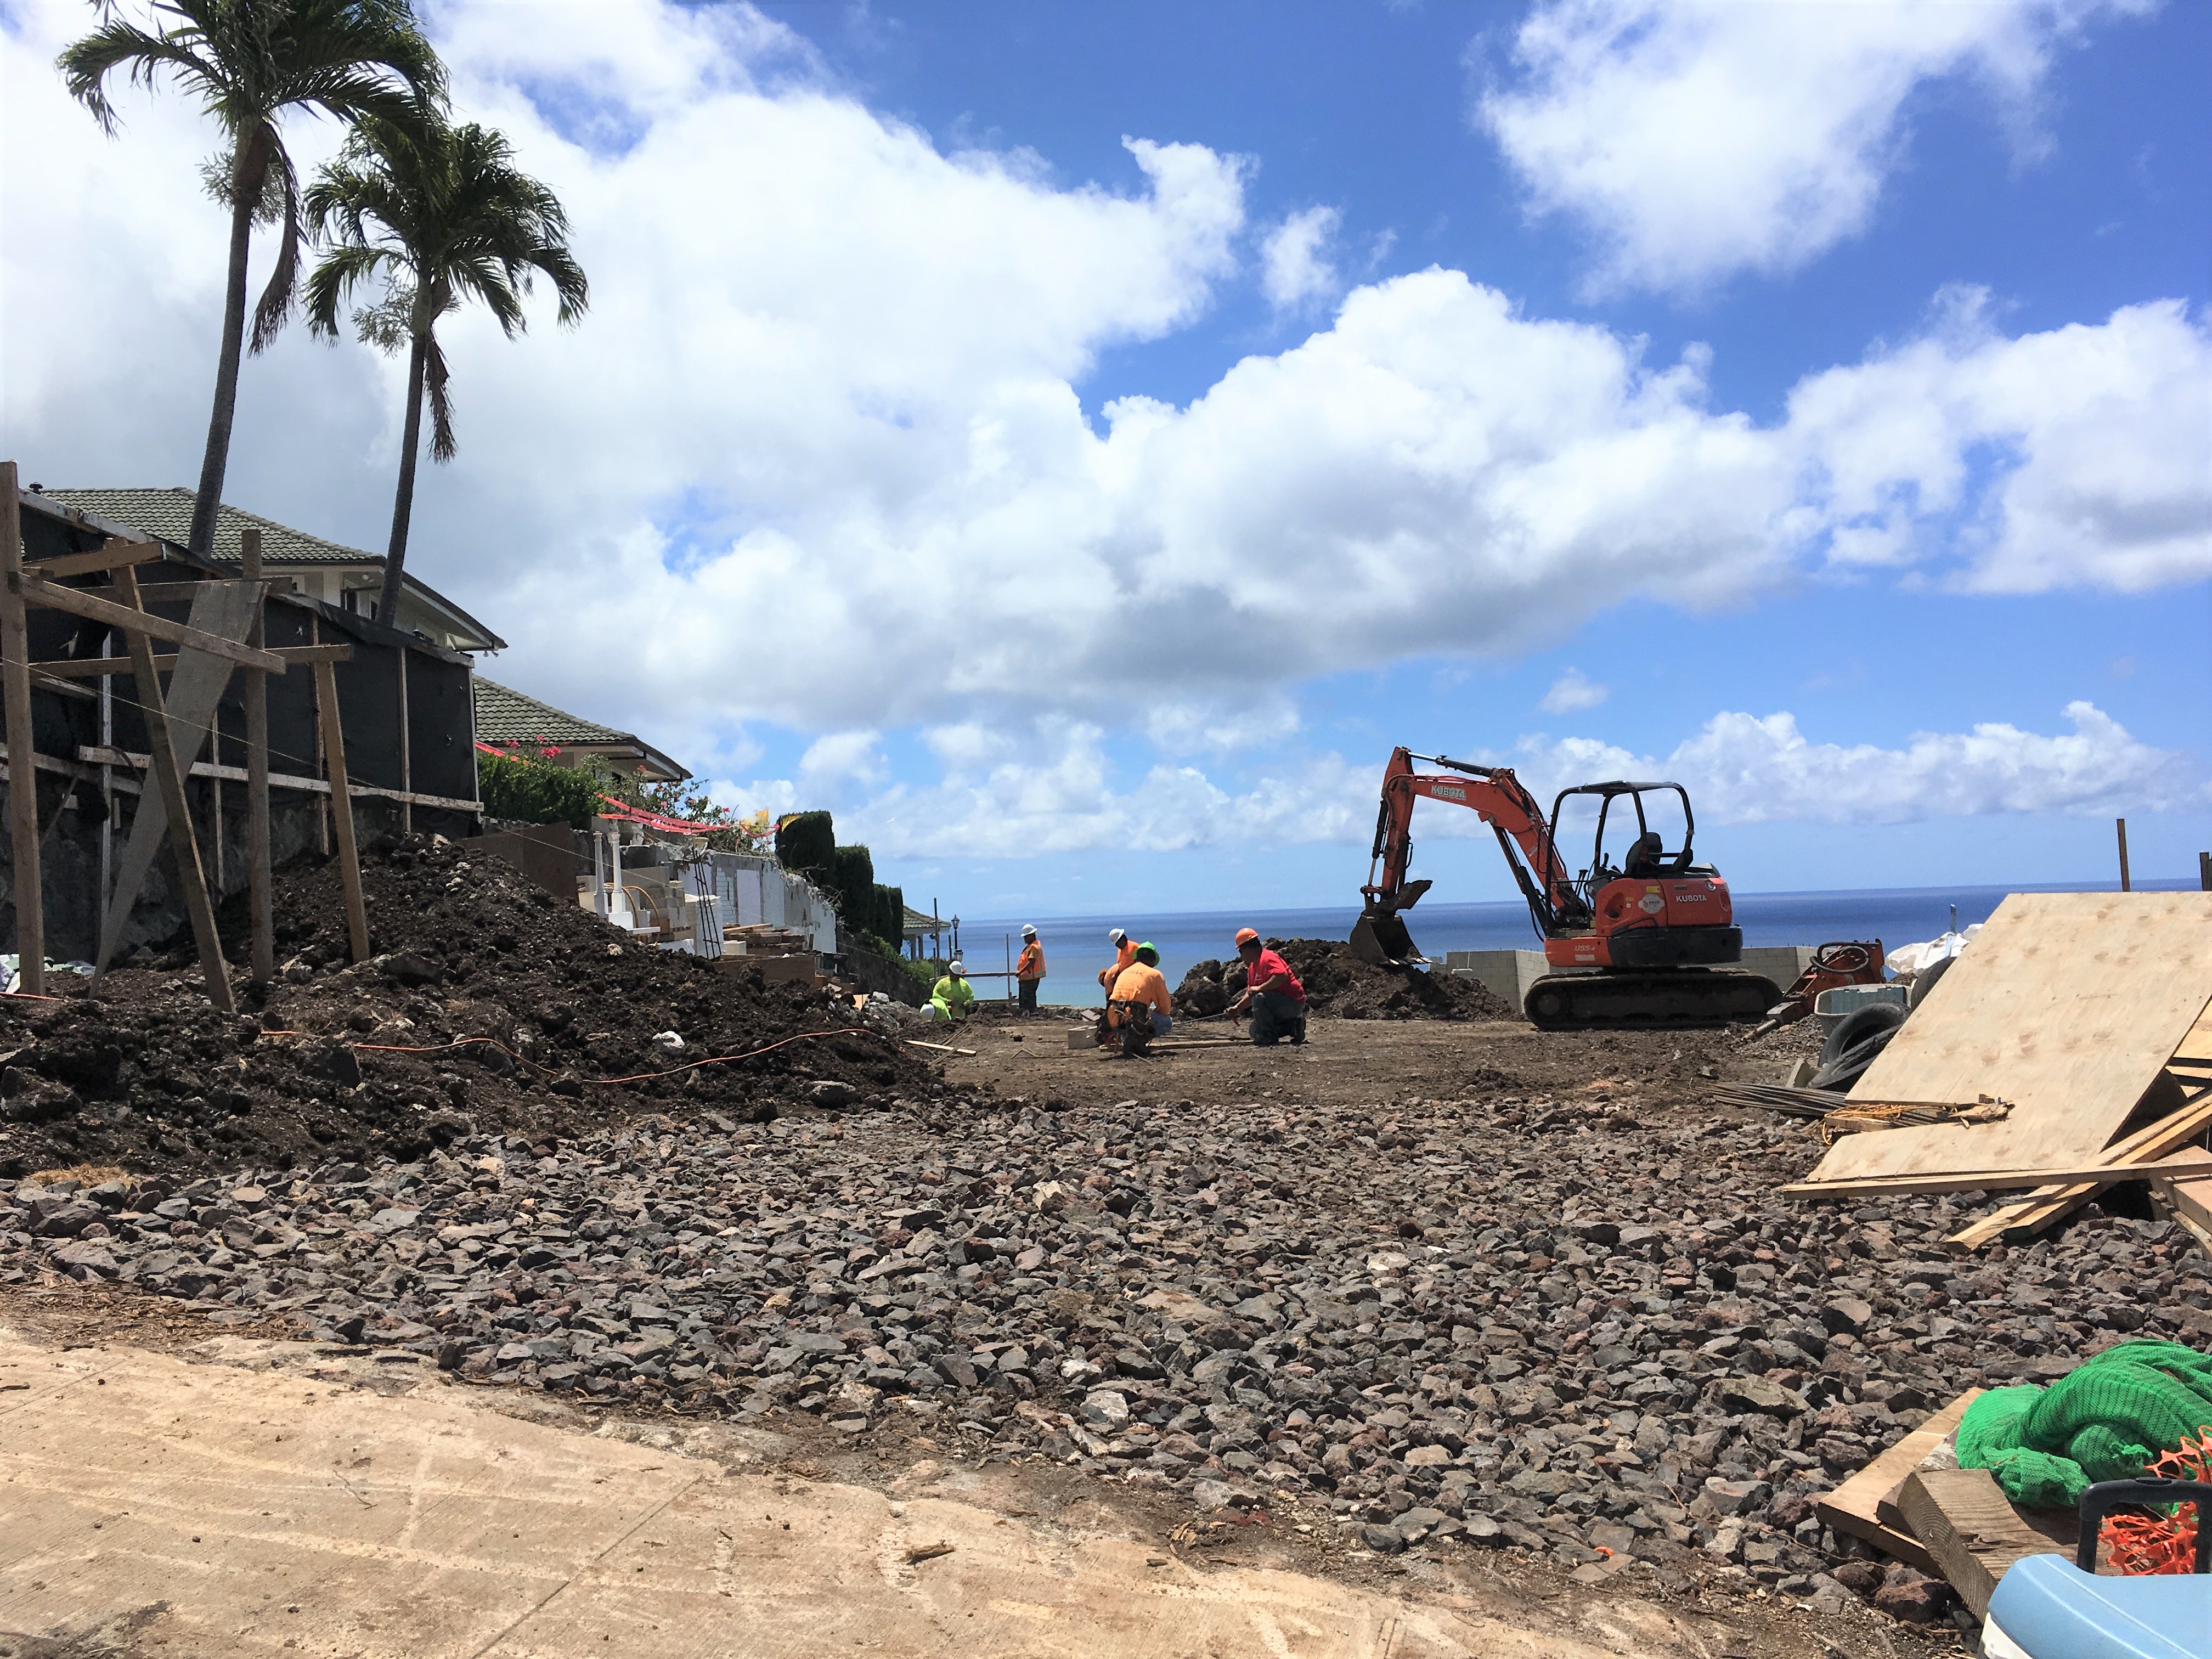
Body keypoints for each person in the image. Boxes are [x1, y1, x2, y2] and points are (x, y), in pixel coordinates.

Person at [1227, 927, 1307, 1046]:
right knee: (1255, 1031)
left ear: (1247, 949)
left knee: (1259, 998)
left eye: (1241, 952)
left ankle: (1270, 1036)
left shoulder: (1267, 957)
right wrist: (1237, 1008)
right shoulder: (1252, 968)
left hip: (1293, 1003)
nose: (1241, 956)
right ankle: (1293, 1027)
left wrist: (1259, 988)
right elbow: (1251, 993)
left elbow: (1281, 976)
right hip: (1277, 1005)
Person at [1105, 940, 1173, 1052]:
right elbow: (1165, 1009)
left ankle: (1126, 1039)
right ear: (1152, 960)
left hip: (1113, 1020)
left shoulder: (1125, 972)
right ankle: (1135, 1042)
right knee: (1166, 1021)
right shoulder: (1154, 975)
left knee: (1131, 1014)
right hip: (1134, 1020)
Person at [930, 959, 975, 1023]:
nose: (957, 977)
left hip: (960, 1019)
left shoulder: (965, 985)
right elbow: (935, 995)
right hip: (944, 1020)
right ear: (950, 972)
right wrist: (946, 1001)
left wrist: (967, 1003)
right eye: (955, 975)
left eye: (958, 975)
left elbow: (971, 996)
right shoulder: (942, 983)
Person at [1014, 924, 1045, 1013]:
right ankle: (1030, 1013)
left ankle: (1030, 1014)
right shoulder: (1033, 945)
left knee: (1027, 998)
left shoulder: (1034, 947)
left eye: (1026, 937)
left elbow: (1031, 962)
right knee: (1028, 998)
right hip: (1028, 977)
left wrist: (1021, 971)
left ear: (1032, 935)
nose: (1025, 939)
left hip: (1030, 977)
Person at [1097, 926, 1137, 993]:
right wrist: (1116, 975)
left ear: (1123, 938)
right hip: (1124, 980)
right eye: (1116, 944)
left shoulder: (1134, 947)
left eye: (1118, 943)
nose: (1117, 946)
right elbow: (1120, 965)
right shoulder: (1119, 951)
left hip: (1134, 979)